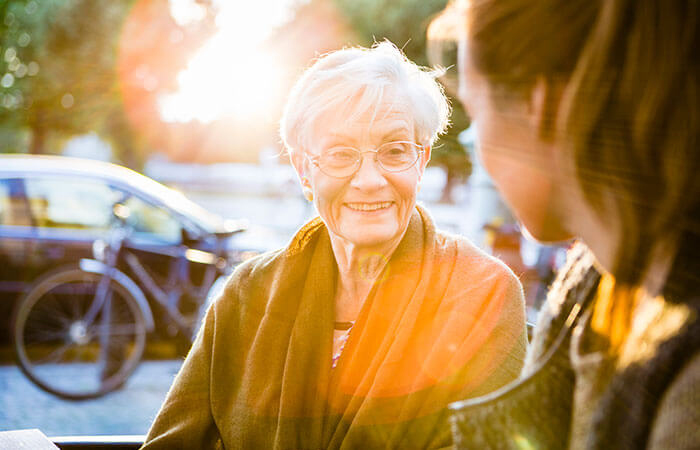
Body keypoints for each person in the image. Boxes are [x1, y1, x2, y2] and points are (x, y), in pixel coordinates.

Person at [141, 41, 527, 449]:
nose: (369, 180)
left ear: (422, 158)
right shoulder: (246, 294)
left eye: (395, 151)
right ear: (304, 170)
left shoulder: (483, 293)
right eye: (341, 154)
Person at [428, 0, 699, 448]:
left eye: (475, 114)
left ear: (541, 102)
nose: (479, 150)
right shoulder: (589, 292)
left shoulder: (689, 397)